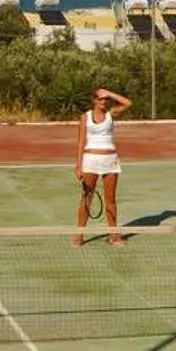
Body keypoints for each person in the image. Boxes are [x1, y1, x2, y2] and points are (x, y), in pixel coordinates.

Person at [73, 86, 133, 246]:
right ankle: (79, 235)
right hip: (90, 161)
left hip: (110, 161)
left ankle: (114, 235)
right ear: (94, 100)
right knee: (87, 198)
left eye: (106, 99)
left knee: (111, 199)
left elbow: (128, 103)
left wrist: (109, 93)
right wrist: (78, 166)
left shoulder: (111, 114)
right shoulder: (85, 117)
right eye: (100, 98)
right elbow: (80, 142)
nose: (103, 101)